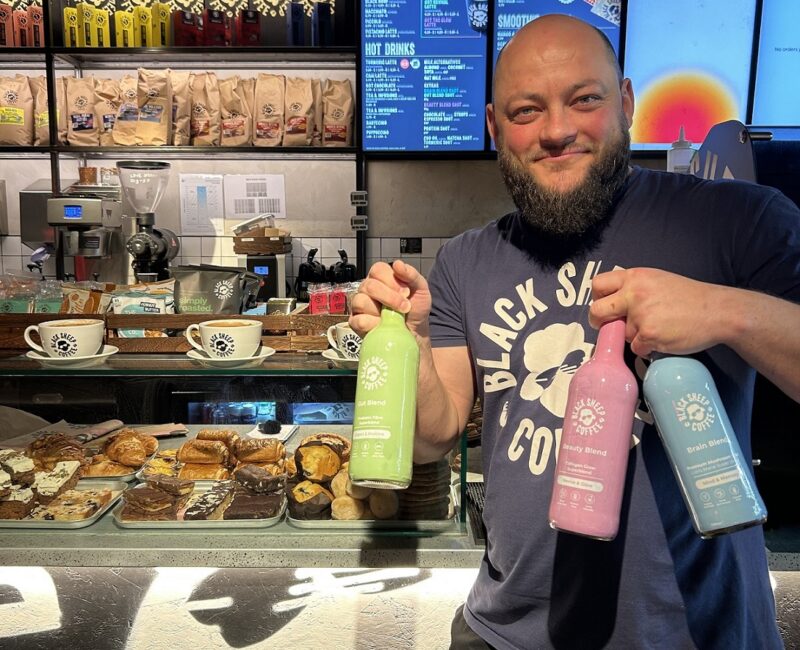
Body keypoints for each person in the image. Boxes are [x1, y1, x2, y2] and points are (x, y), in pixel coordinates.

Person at [350, 14, 800, 650]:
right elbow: (432, 438)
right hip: (505, 630)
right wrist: (412, 346)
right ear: (494, 128)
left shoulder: (740, 222)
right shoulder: (464, 261)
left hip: (699, 634)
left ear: (625, 102)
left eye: (584, 100)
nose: (557, 131)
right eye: (526, 110)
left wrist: (724, 311)